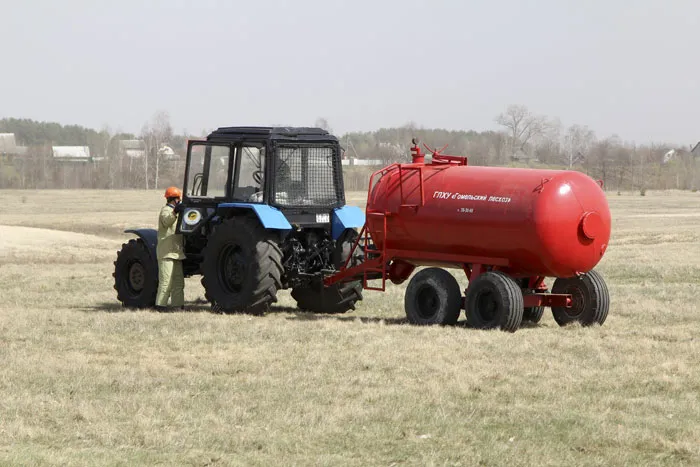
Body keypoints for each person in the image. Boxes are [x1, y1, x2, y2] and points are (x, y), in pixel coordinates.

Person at [155, 186, 186, 311]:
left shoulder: (177, 212)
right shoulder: (166, 211)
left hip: (177, 252)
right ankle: (160, 306)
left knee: (178, 282)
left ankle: (177, 306)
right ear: (175, 199)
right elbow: (167, 222)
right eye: (179, 199)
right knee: (165, 282)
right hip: (166, 252)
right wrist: (175, 212)